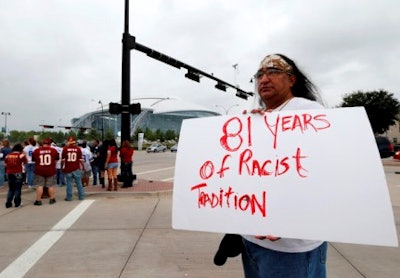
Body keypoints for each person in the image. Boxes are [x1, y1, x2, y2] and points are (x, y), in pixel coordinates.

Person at [240, 54, 327, 277]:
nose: (264, 79)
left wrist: (290, 217)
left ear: (291, 80)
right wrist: (250, 129)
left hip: (290, 247)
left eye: (273, 72)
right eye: (259, 75)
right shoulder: (258, 118)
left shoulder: (307, 111)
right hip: (252, 239)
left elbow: (318, 171)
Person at [31, 138, 59, 205]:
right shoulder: (54, 150)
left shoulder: (36, 150)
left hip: (39, 170)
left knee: (39, 186)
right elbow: (57, 159)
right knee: (50, 186)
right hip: (50, 170)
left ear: (42, 144)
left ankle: (38, 200)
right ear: (49, 144)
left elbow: (33, 160)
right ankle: (52, 199)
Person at [62, 136, 85, 201]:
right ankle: (81, 196)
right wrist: (83, 167)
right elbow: (80, 159)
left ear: (68, 141)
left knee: (69, 183)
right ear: (74, 141)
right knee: (79, 183)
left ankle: (69, 197)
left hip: (68, 168)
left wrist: (62, 167)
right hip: (76, 168)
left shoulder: (65, 149)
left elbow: (63, 160)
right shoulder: (78, 149)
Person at [4, 143, 27, 208]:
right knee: (18, 188)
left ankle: (8, 203)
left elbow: (5, 164)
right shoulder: (21, 155)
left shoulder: (8, 155)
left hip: (9, 173)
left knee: (11, 189)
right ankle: (17, 203)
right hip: (18, 173)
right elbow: (25, 162)